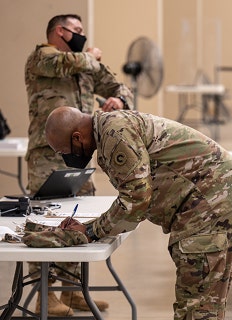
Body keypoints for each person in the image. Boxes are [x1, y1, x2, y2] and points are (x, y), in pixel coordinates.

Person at [45, 107, 232, 320]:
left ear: (77, 138)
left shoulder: (115, 133)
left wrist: (91, 230)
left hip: (210, 205)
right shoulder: (109, 126)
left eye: (64, 152)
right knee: (206, 302)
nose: (66, 159)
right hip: (216, 199)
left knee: (197, 307)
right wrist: (92, 227)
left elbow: (136, 199)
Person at [24, 13, 134, 316]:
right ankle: (45, 295)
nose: (82, 35)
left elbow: (118, 85)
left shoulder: (84, 63)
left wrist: (120, 102)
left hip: (80, 153)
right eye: (77, 30)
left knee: (79, 220)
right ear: (60, 32)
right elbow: (72, 63)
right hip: (47, 155)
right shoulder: (42, 58)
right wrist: (90, 56)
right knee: (47, 219)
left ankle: (73, 291)